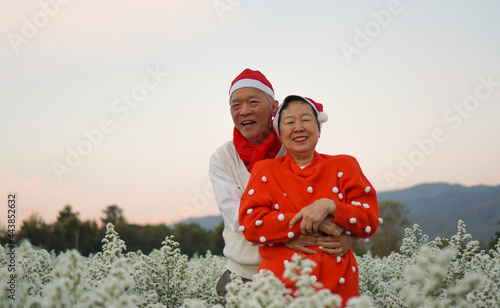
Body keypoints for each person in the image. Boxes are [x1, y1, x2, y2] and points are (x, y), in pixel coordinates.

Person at [209, 69, 358, 298]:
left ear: (274, 107)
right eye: (235, 105)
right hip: (244, 277)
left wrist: (350, 234)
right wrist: (295, 232)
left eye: (254, 102)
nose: (244, 110)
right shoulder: (223, 157)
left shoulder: (293, 143)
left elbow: (326, 194)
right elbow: (240, 218)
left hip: (299, 274)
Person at [238, 95, 380, 306]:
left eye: (305, 120)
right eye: (289, 122)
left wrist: (330, 206)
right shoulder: (265, 170)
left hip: (339, 290)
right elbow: (250, 224)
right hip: (280, 289)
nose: (298, 127)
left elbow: (370, 219)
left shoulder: (344, 165)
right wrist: (309, 222)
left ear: (319, 129)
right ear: (280, 131)